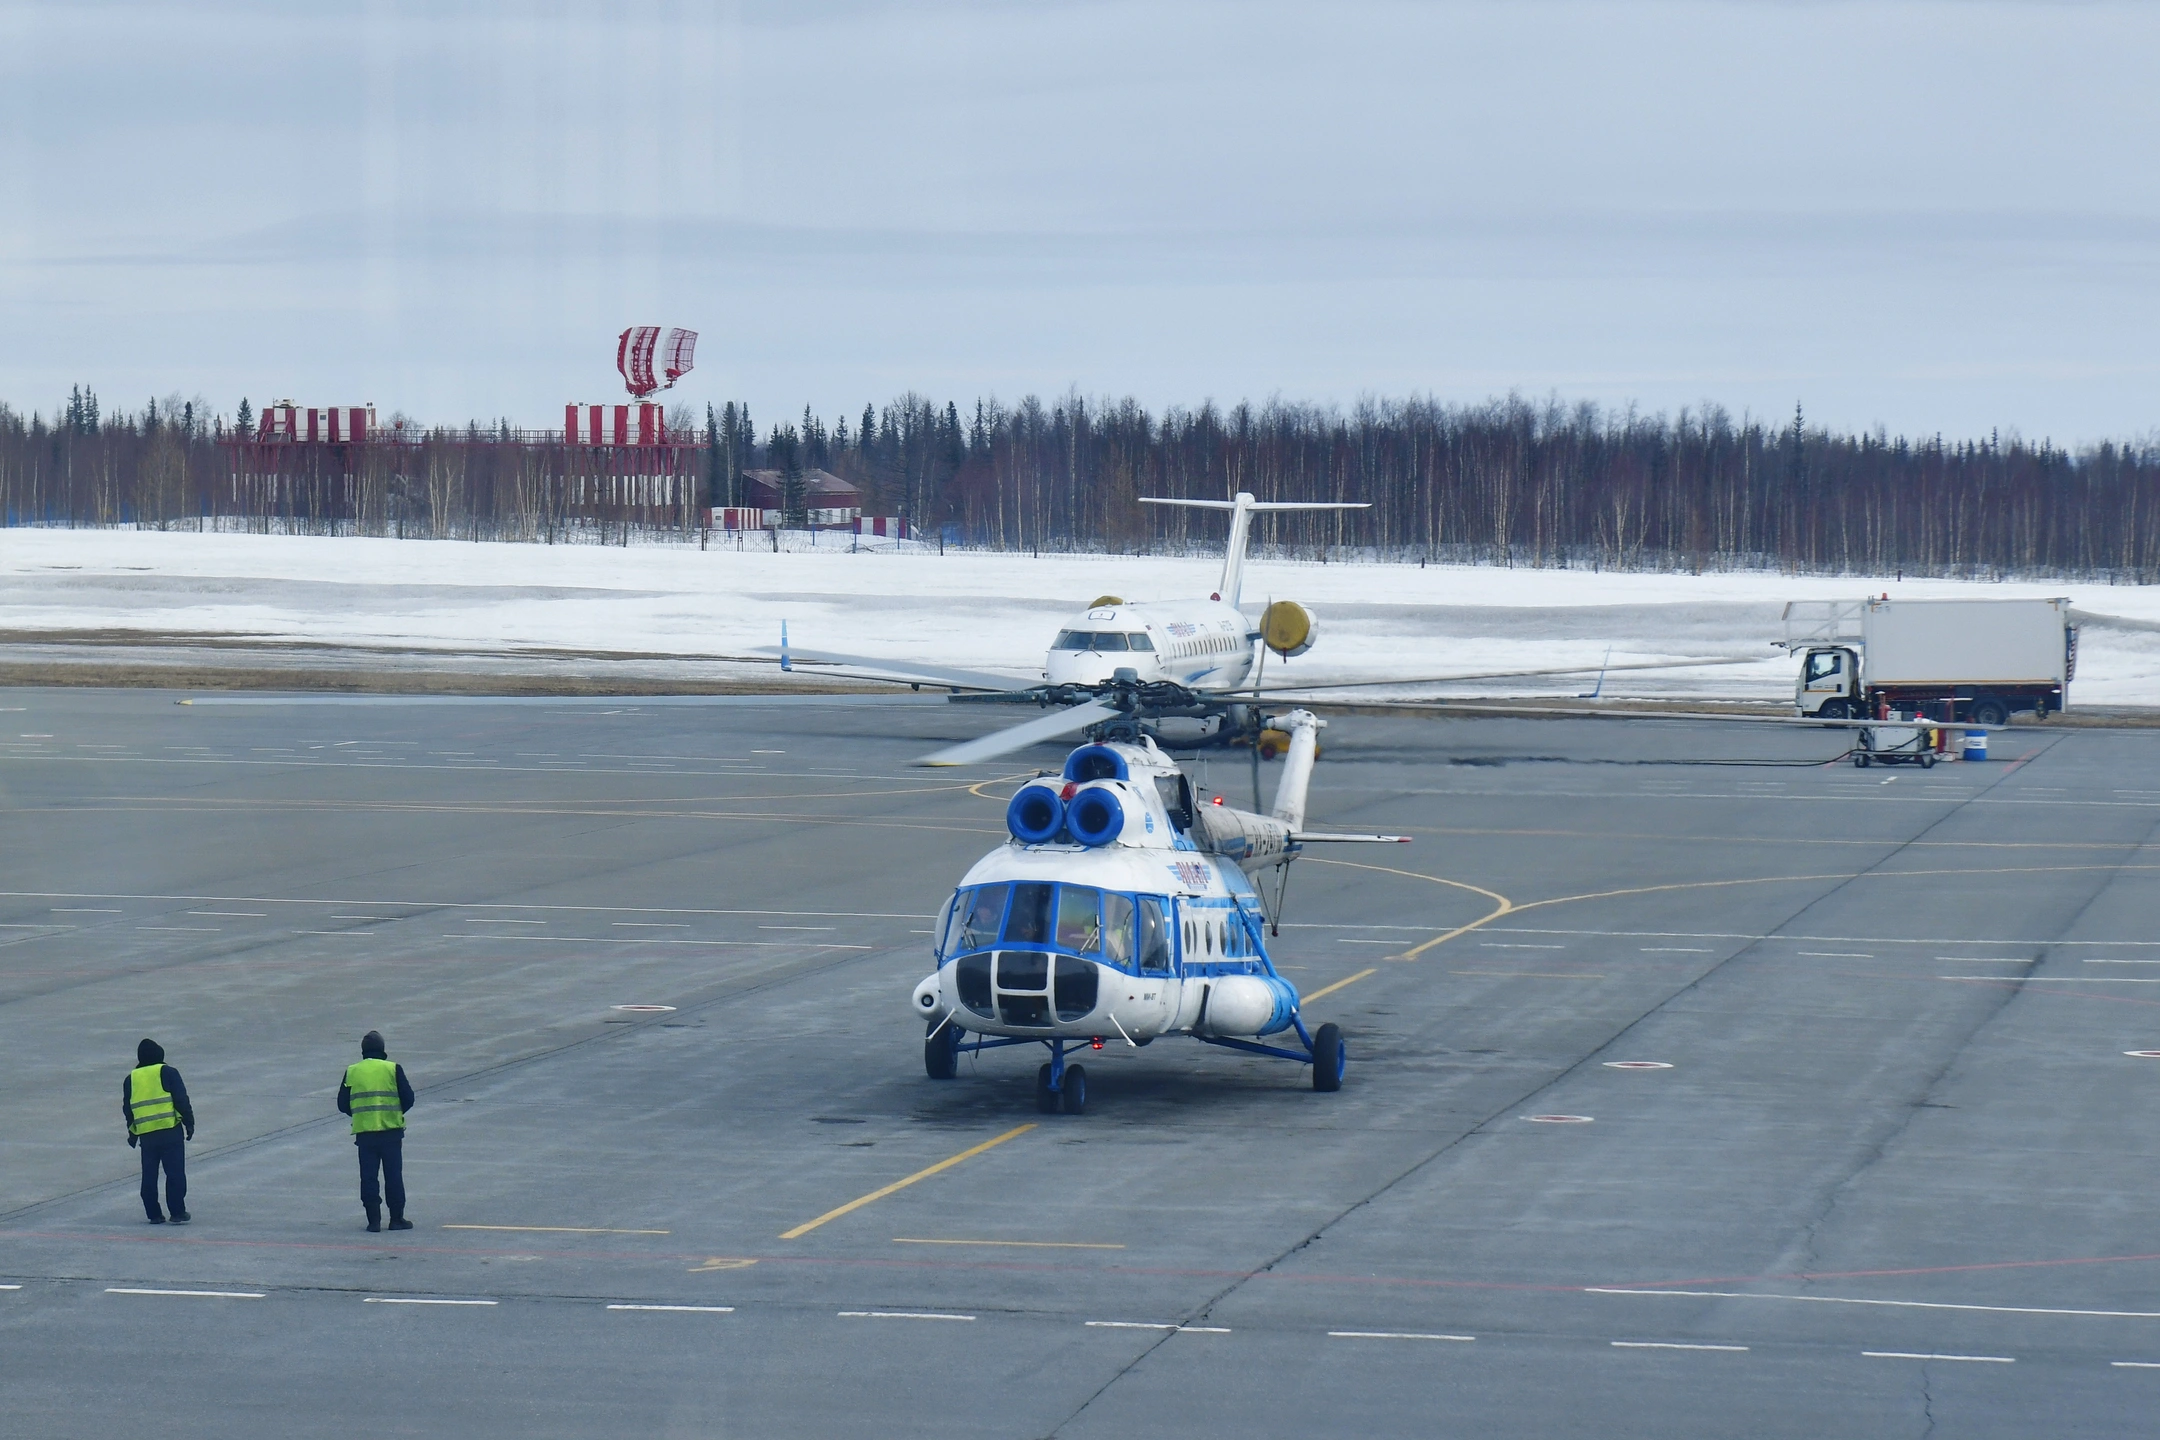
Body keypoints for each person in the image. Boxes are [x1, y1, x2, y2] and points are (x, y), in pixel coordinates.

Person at [336, 1030, 414, 1233]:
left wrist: (361, 1115)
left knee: (368, 1177)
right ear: (383, 1049)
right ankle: (396, 1219)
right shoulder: (392, 1069)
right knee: (393, 1176)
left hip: (365, 1134)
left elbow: (342, 1103)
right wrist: (393, 1113)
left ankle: (373, 1221)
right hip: (391, 1132)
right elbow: (409, 1098)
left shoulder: (353, 1070)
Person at [123, 1038, 194, 1224]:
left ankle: (154, 1214)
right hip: (170, 1131)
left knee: (149, 1175)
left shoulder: (131, 1079)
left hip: (147, 1135)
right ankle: (177, 1212)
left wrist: (133, 1133)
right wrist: (189, 1122)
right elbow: (181, 1099)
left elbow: (128, 1109)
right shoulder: (168, 1072)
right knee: (175, 1173)